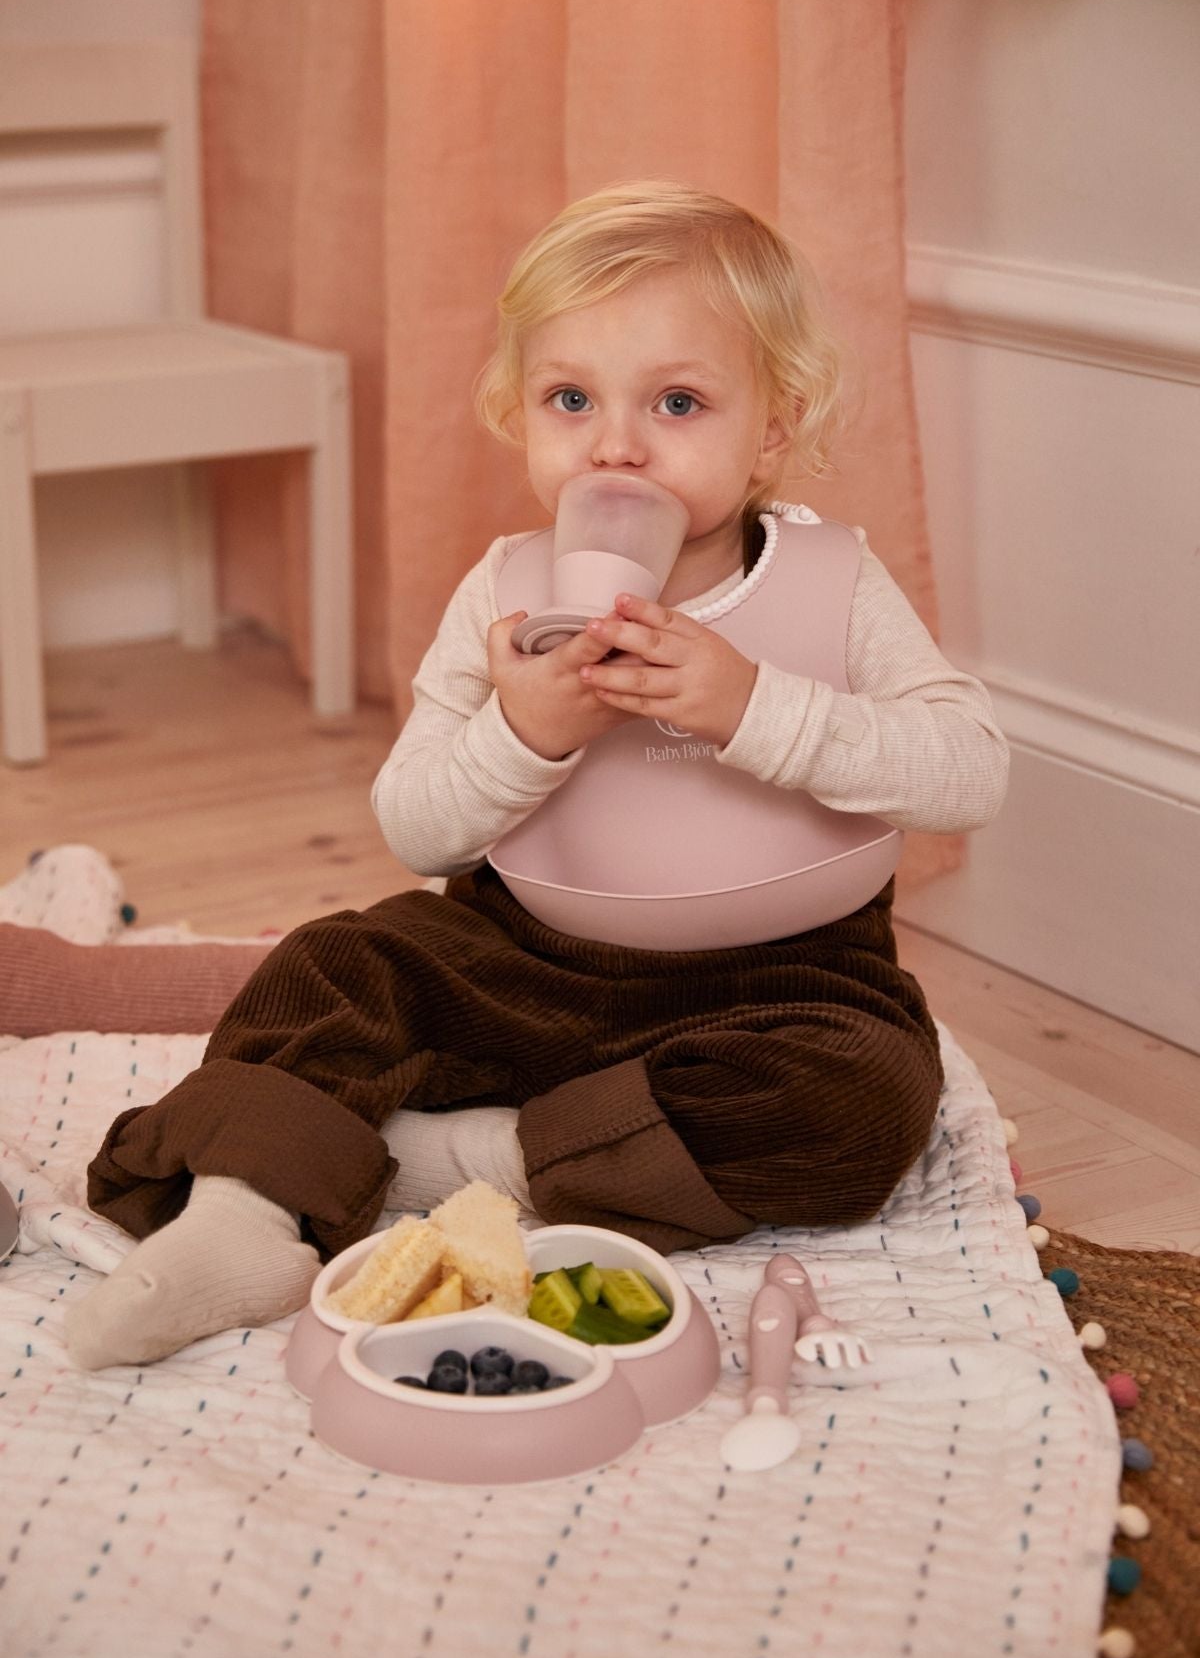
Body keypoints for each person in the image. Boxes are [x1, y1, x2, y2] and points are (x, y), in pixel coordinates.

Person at [67, 181, 1008, 1371]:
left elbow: (969, 773)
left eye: (677, 402)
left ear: (772, 428)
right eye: (572, 399)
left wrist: (755, 705)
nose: (616, 442)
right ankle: (243, 1219)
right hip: (529, 963)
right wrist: (525, 735)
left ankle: (455, 1161)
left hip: (786, 980)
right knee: (337, 965)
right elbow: (418, 828)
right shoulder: (506, 588)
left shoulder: (831, 581)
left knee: (864, 1100)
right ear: (522, 417)